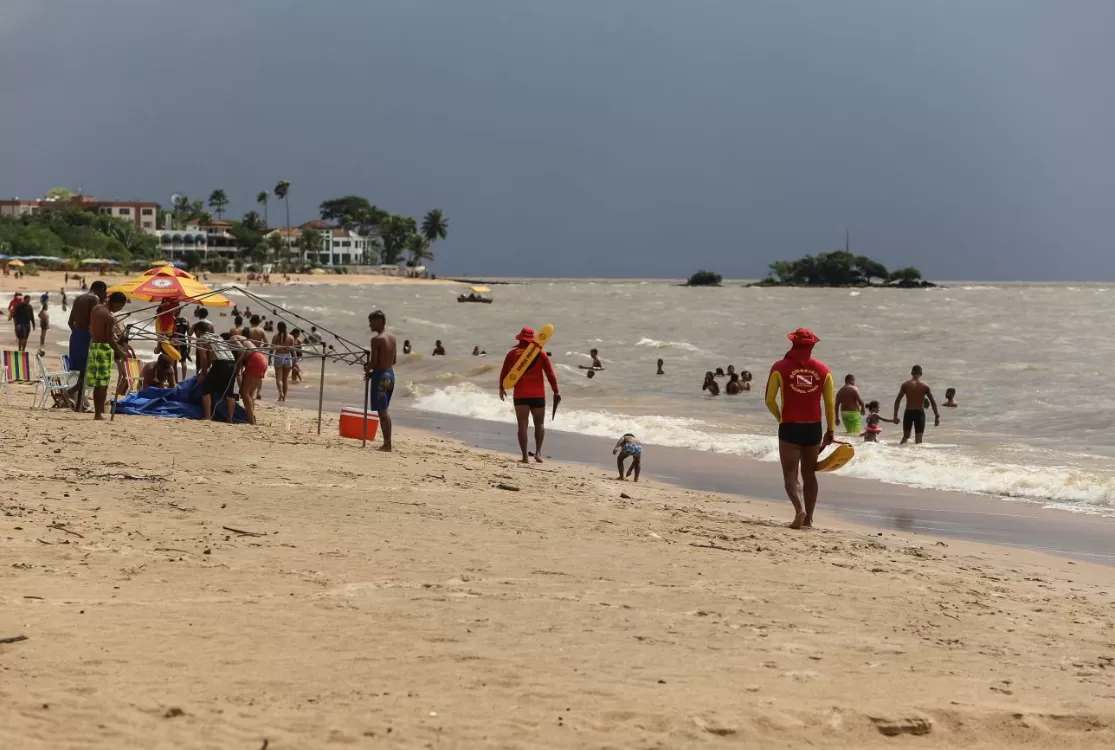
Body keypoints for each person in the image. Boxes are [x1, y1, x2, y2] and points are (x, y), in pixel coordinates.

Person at [765, 328, 835, 530]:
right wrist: (830, 431)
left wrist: (781, 417)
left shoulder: (779, 367)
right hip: (813, 429)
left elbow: (769, 400)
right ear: (812, 345)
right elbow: (829, 404)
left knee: (790, 475)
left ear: (793, 343)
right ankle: (809, 518)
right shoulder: (824, 370)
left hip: (789, 427)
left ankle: (799, 509)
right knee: (809, 474)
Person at [498, 326, 560, 463]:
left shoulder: (512, 354)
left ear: (520, 337)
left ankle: (525, 457)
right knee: (539, 424)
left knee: (522, 425)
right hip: (538, 395)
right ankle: (538, 453)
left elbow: (504, 372)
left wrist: (501, 388)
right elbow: (550, 374)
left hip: (521, 395)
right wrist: (556, 390)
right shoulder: (541, 354)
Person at [87, 292, 129, 420]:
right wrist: (121, 352)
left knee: (96, 383)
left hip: (93, 347)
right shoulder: (110, 318)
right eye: (120, 307)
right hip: (103, 349)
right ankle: (98, 414)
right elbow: (110, 339)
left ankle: (97, 413)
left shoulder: (96, 309)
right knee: (103, 384)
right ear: (116, 303)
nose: (119, 310)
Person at [67, 280, 106, 411]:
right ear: (101, 290)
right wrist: (92, 335)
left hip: (76, 335)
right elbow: (95, 319)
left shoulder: (79, 298)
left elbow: (70, 322)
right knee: (88, 369)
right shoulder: (94, 299)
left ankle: (79, 403)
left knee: (82, 369)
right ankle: (72, 392)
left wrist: (78, 333)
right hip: (86, 335)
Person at [364, 310, 397, 451]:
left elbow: (374, 362)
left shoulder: (376, 340)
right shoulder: (392, 337)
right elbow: (394, 360)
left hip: (381, 377)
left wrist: (368, 368)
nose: (369, 324)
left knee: (383, 411)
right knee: (384, 410)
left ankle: (387, 444)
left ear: (379, 321)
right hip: (390, 374)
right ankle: (387, 442)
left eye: (371, 321)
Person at [197, 327, 240, 422]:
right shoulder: (218, 338)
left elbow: (203, 357)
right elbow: (212, 356)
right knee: (230, 393)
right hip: (232, 363)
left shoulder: (200, 339)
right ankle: (230, 418)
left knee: (206, 389)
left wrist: (204, 373)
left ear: (198, 331)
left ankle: (208, 416)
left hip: (221, 363)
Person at [893, 365, 940, 444]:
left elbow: (898, 400)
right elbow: (933, 402)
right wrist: (937, 416)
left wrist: (895, 416)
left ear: (911, 373)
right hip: (919, 413)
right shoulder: (925, 386)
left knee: (906, 436)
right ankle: (917, 455)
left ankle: (897, 452)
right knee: (919, 440)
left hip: (908, 412)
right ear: (921, 373)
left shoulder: (906, 385)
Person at [270, 321, 296, 402]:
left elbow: (271, 349)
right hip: (287, 357)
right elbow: (293, 351)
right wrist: (294, 360)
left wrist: (269, 358)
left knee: (279, 379)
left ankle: (281, 393)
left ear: (278, 328)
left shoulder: (275, 337)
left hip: (278, 356)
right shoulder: (291, 337)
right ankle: (284, 398)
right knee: (285, 379)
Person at [173, 313, 192, 381]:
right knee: (183, 362)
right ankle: (183, 379)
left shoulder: (173, 320)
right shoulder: (185, 320)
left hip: (175, 342)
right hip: (183, 342)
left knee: (174, 363)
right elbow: (189, 335)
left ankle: (175, 380)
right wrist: (189, 345)